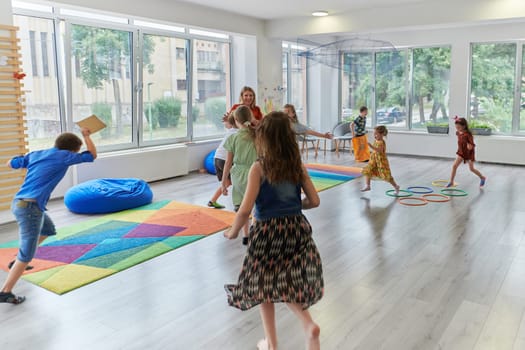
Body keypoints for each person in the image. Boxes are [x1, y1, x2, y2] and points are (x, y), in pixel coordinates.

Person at [224, 111, 323, 350]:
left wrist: (233, 232)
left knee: (262, 285)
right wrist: (296, 206)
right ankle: (308, 324)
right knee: (286, 282)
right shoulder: (297, 166)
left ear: (263, 139)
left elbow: (245, 210)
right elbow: (315, 201)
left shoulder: (258, 168)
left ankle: (271, 343)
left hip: (267, 232)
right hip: (296, 229)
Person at [0, 128, 97, 304]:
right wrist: (87, 136)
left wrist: (17, 159)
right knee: (27, 254)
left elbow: (10, 163)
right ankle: (5, 291)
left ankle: (17, 262)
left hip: (22, 203)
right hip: (30, 208)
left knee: (48, 229)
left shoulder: (37, 154)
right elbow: (91, 155)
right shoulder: (64, 156)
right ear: (71, 150)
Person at [221, 105, 257, 245]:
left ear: (236, 119)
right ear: (251, 118)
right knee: (254, 205)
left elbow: (228, 163)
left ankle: (245, 235)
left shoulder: (233, 138)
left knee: (242, 206)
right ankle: (254, 232)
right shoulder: (257, 135)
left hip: (237, 176)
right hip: (255, 173)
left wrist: (224, 182)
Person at [207, 113, 238, 209]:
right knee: (236, 182)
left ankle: (212, 200)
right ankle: (239, 204)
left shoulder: (231, 130)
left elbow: (227, 124)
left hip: (217, 158)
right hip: (225, 159)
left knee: (228, 182)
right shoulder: (238, 133)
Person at [447, 117, 486, 188]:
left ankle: (482, 177)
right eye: (456, 127)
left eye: (459, 127)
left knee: (471, 169)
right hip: (461, 152)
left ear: (464, 126)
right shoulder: (458, 132)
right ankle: (451, 181)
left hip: (469, 153)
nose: (457, 128)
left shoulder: (468, 135)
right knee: (454, 166)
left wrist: (469, 146)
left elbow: (472, 145)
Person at [361, 125, 399, 193]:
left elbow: (380, 151)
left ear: (381, 134)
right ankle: (368, 186)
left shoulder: (381, 142)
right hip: (374, 160)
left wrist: (371, 146)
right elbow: (375, 151)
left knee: (386, 175)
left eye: (376, 134)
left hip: (381, 161)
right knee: (368, 170)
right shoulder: (376, 140)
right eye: (374, 134)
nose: (375, 135)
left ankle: (396, 186)